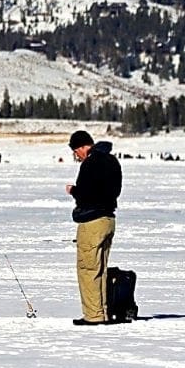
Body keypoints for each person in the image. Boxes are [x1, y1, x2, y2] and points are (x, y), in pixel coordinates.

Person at [65, 129, 123, 326]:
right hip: (109, 220)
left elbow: (86, 194)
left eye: (76, 151)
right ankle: (102, 312)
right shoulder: (112, 160)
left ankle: (93, 316)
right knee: (101, 270)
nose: (76, 156)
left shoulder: (91, 163)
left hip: (92, 222)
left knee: (88, 268)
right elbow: (114, 190)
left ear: (83, 147)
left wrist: (74, 191)